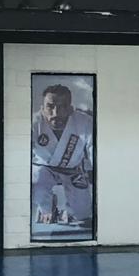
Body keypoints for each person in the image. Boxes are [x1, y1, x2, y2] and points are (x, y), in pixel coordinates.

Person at [31, 84, 94, 228]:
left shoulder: (85, 122)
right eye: (50, 106)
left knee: (83, 213)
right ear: (42, 108)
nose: (56, 113)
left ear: (71, 109)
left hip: (73, 168)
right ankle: (47, 207)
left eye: (62, 107)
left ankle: (69, 212)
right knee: (38, 183)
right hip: (44, 167)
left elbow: (93, 150)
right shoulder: (33, 123)